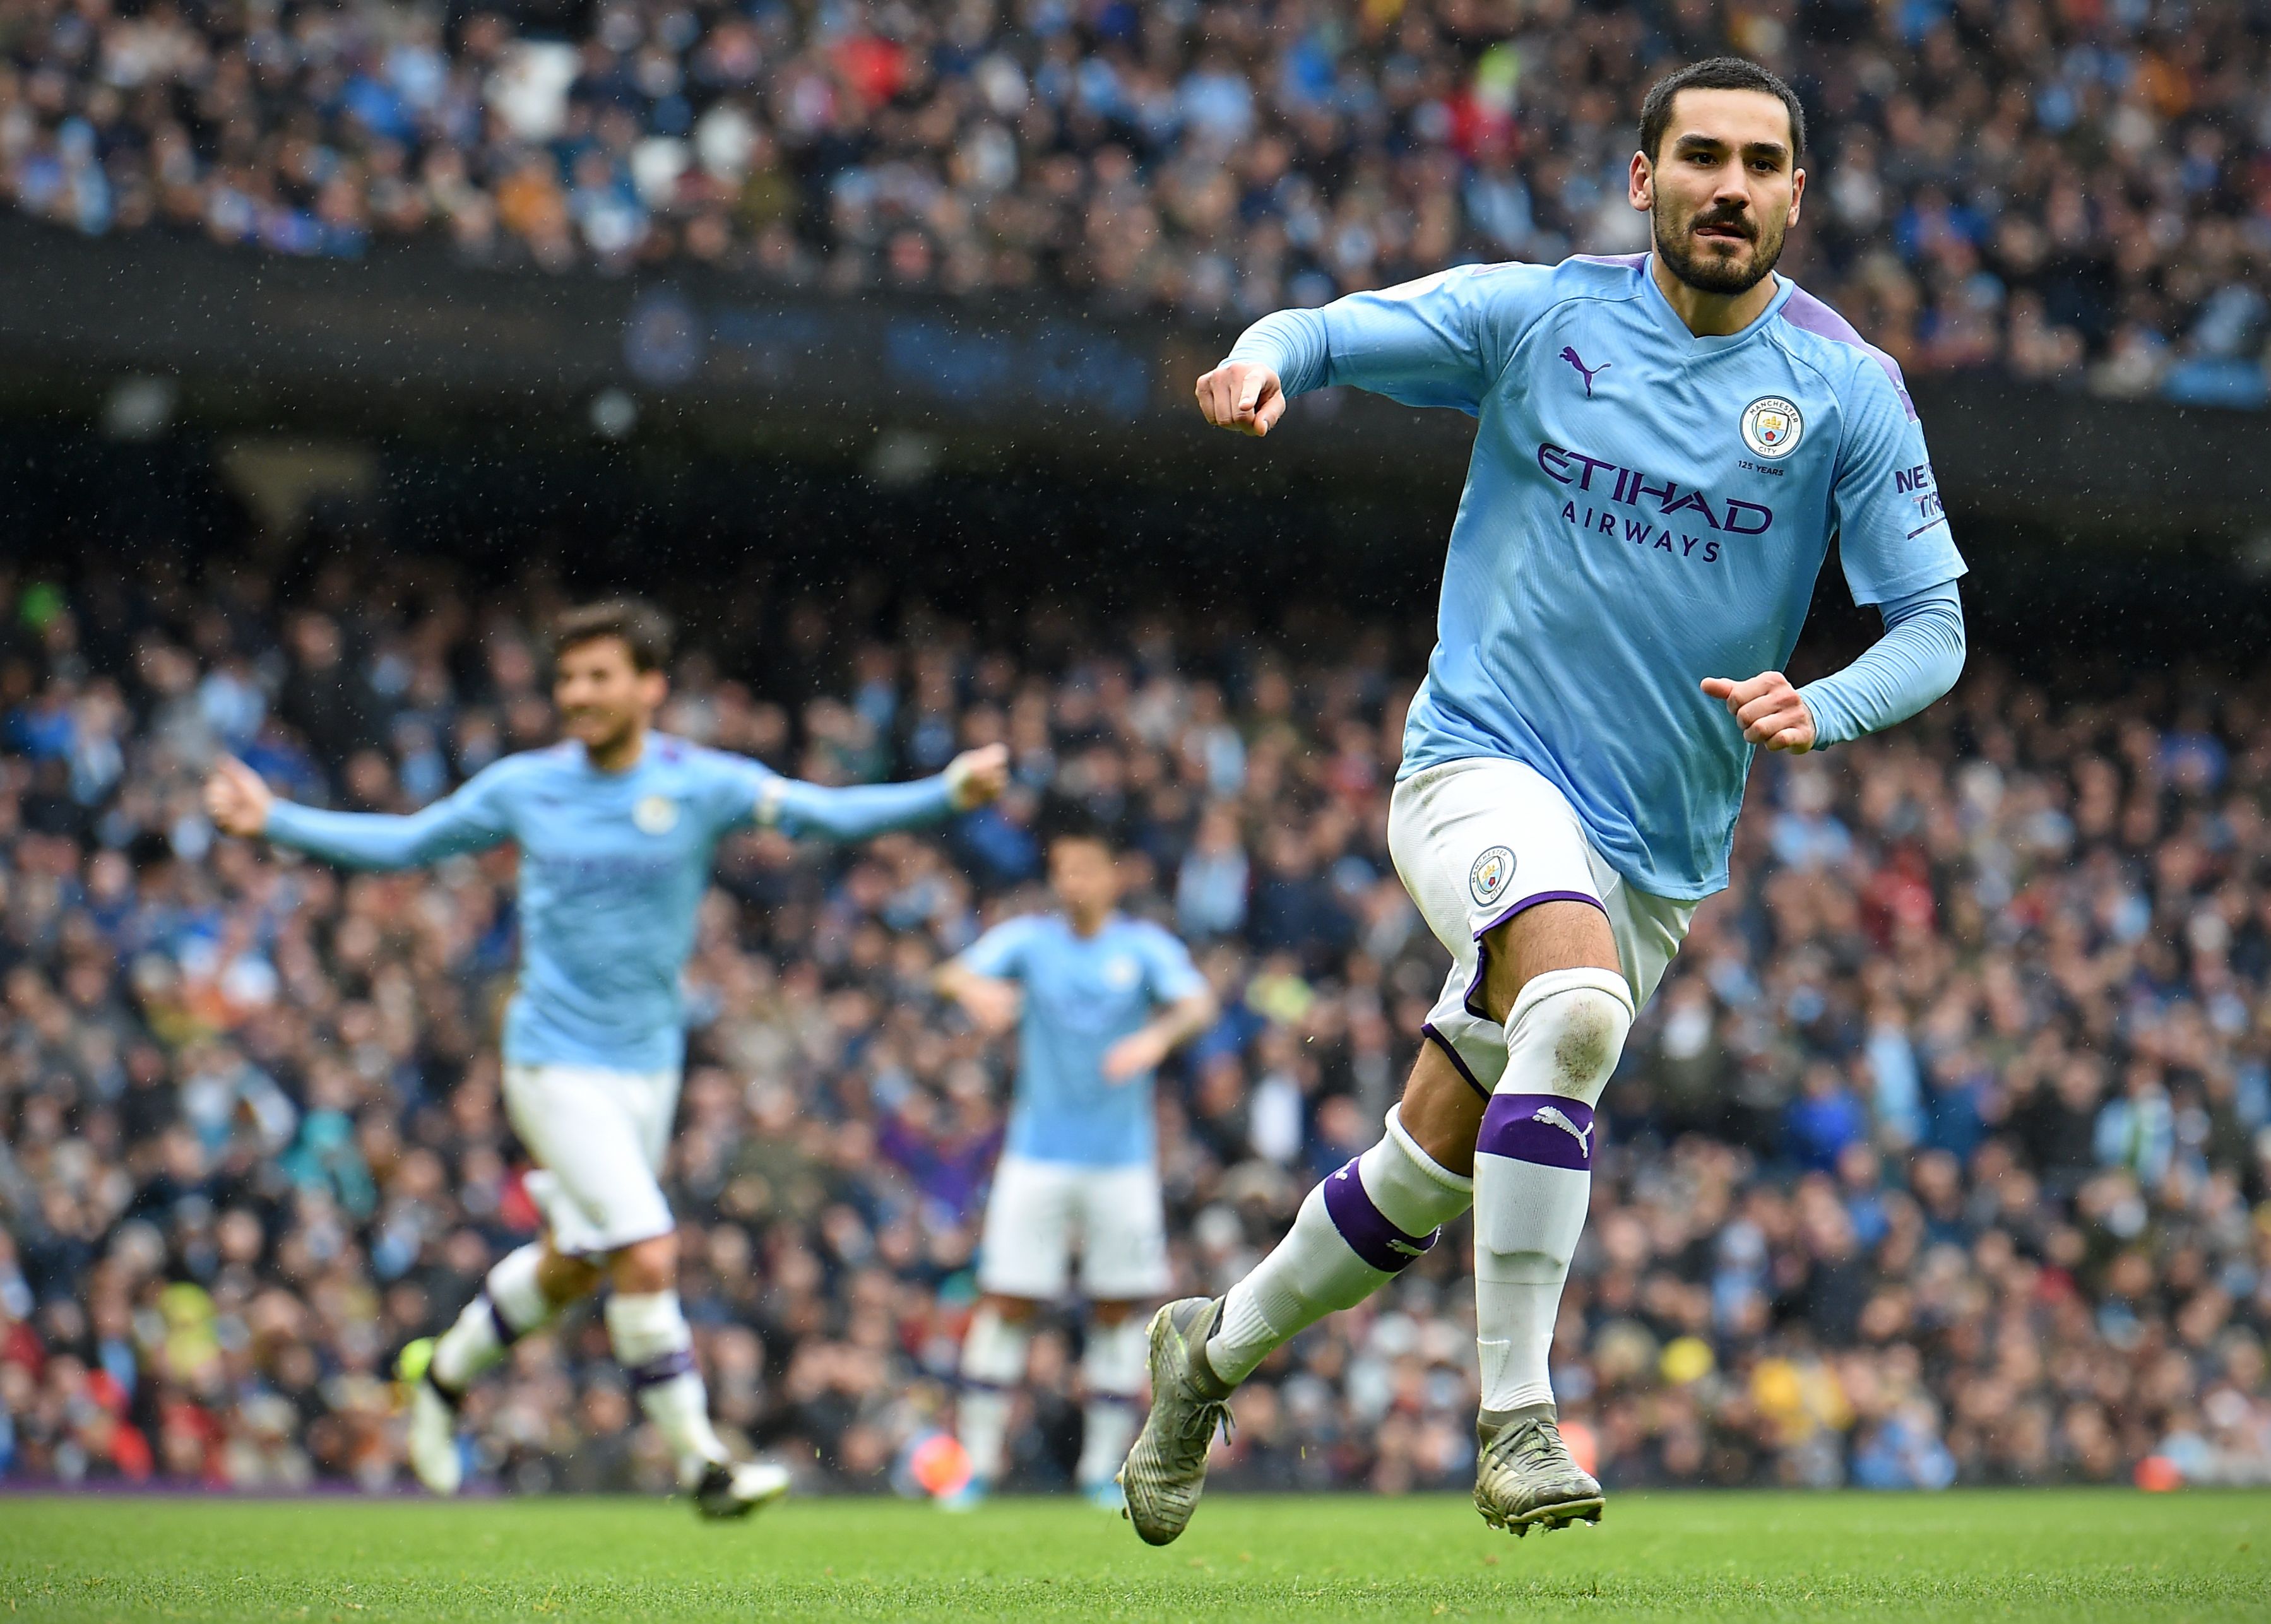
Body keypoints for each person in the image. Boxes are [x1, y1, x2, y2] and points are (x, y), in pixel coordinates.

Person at [1120, 56, 1968, 1544]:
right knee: (1570, 1011)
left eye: (1760, 164)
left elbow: (1935, 628)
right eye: (1698, 157)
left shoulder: (1847, 389)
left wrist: (1821, 703)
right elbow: (1327, 329)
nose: (1729, 187)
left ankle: (1212, 1350)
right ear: (1643, 179)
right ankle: (1516, 1418)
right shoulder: (1540, 316)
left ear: (1795, 195)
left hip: (1658, 847)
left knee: (1426, 1169)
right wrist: (1261, 360)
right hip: (1478, 764)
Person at [203, 598, 1008, 1516]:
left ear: (649, 686)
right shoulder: (525, 786)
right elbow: (408, 843)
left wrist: (944, 793)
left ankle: (441, 1382)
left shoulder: (700, 783)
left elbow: (823, 816)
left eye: (599, 676)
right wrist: (276, 822)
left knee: (574, 1265)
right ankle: (704, 1462)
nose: (578, 694)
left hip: (648, 1071)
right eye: (568, 678)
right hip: (551, 1060)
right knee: (649, 1247)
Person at [934, 820, 1218, 1509]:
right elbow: (950, 970)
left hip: (1120, 1160)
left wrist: (1155, 1037)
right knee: (1006, 1299)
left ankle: (1100, 1468)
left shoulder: (1141, 948)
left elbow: (1199, 1002)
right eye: (1062, 870)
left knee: (1117, 1311)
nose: (1072, 883)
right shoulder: (1031, 940)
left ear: (1112, 875)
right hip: (1036, 1154)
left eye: (1084, 869)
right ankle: (974, 1463)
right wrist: (974, 992)